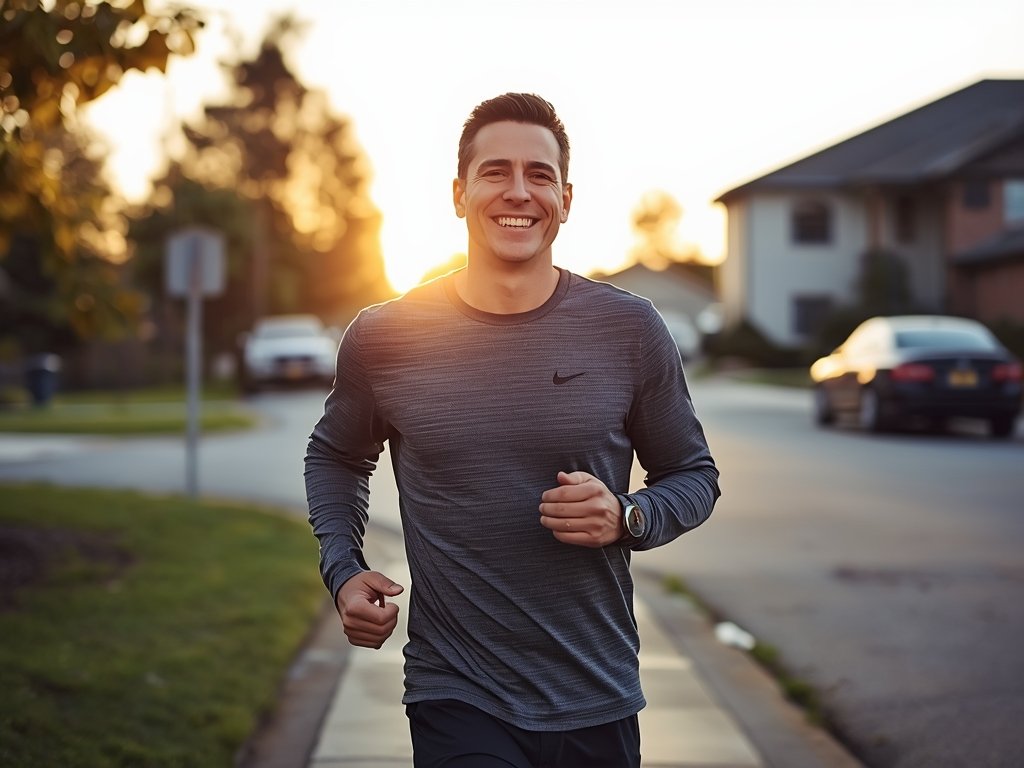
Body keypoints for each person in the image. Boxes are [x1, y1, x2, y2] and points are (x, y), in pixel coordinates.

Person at [305, 92, 720, 768]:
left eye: (540, 174)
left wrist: (630, 515)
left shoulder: (630, 329)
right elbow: (336, 458)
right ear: (459, 193)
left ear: (567, 196)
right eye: (495, 171)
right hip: (456, 690)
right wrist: (344, 570)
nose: (518, 192)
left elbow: (694, 476)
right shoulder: (387, 337)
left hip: (597, 690)